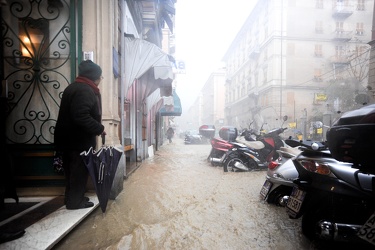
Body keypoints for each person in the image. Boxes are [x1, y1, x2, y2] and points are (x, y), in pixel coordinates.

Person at [54, 60, 105, 210]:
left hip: (69, 140)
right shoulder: (85, 90)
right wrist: (99, 128)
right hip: (77, 141)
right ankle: (75, 202)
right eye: (100, 77)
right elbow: (81, 116)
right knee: (78, 172)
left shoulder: (74, 87)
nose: (101, 80)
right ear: (94, 77)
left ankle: (72, 198)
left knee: (71, 172)